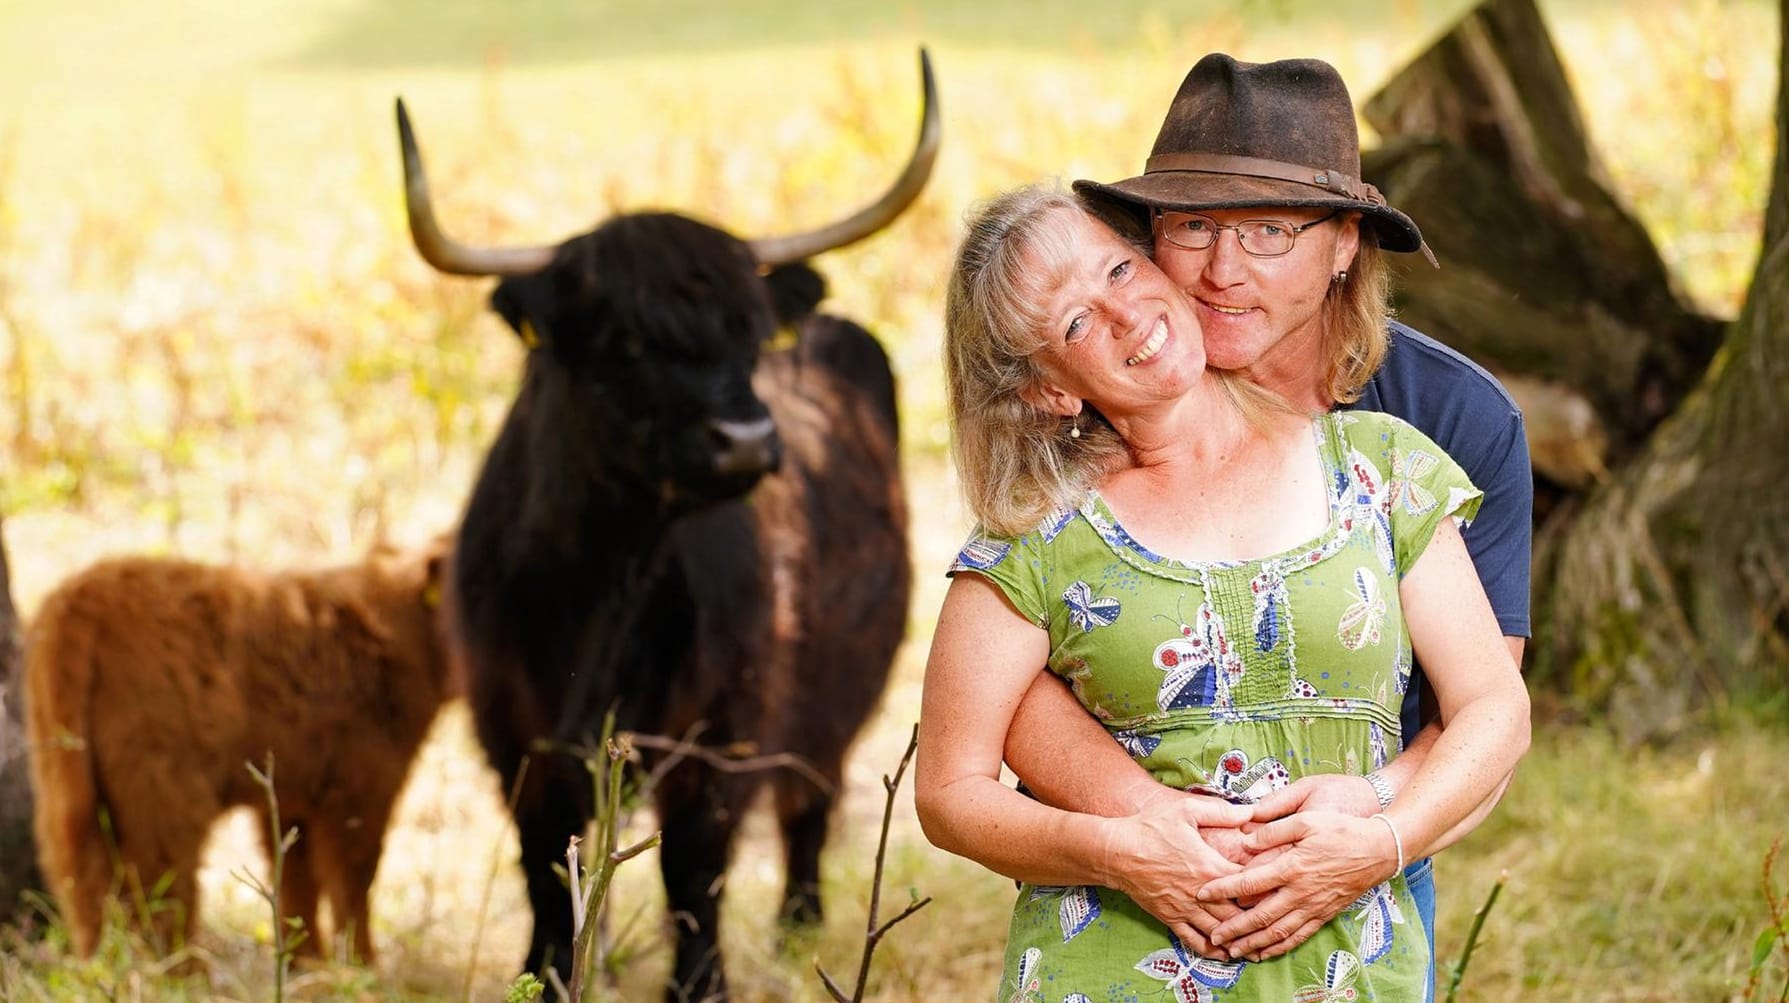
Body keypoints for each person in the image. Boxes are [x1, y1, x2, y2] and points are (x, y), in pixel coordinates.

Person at [914, 179, 1530, 999]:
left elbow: (1495, 707)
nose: (1125, 316)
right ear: (1049, 388)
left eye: (1119, 272)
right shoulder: (1034, 535)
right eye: (1074, 323)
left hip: (1348, 967)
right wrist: (1115, 850)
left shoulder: (1378, 465)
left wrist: (1380, 840)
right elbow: (948, 791)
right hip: (1109, 969)